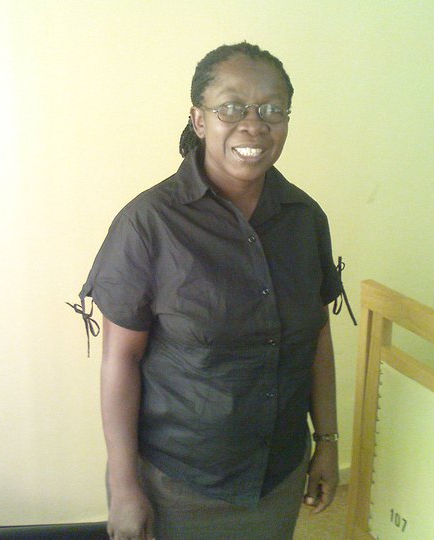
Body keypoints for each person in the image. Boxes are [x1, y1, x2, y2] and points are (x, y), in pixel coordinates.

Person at [78, 42, 343, 540]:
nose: (254, 125)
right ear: (199, 120)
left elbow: (317, 340)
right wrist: (124, 485)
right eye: (231, 108)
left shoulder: (305, 219)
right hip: (178, 484)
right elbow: (120, 361)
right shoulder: (149, 224)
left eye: (272, 109)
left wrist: (326, 441)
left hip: (279, 474)